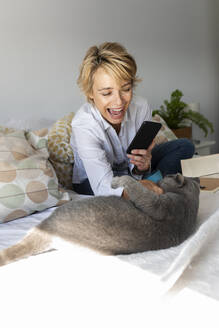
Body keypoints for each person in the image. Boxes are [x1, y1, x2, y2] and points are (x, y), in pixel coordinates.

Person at [70, 42, 194, 197]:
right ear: (90, 93)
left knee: (184, 146)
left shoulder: (141, 106)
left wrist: (142, 167)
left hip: (128, 171)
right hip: (92, 180)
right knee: (110, 190)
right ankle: (156, 184)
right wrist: (138, 185)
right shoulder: (83, 124)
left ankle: (152, 184)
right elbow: (102, 186)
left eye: (126, 89)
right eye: (107, 93)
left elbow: (137, 164)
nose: (119, 102)